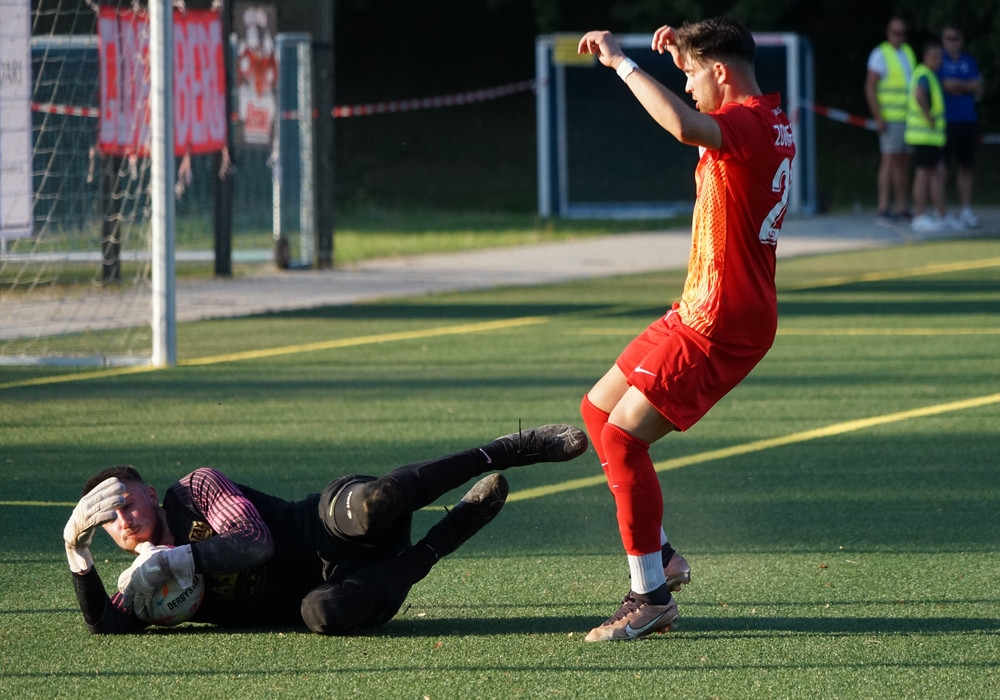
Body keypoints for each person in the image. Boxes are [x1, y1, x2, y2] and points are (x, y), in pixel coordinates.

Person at [576, 16, 795, 642]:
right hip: (700, 306)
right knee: (597, 412)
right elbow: (707, 102)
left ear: (721, 73)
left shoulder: (746, 125)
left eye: (696, 75)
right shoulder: (766, 116)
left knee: (621, 441)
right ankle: (664, 557)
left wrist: (623, 62)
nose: (689, 86)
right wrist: (682, 56)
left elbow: (683, 124)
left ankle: (649, 595)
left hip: (722, 319)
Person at [63, 424, 587, 635]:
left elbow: (254, 542)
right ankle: (449, 534)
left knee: (377, 503)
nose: (124, 519)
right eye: (108, 519)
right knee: (322, 615)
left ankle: (510, 449)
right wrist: (75, 553)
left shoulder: (193, 489)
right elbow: (103, 624)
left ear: (149, 494)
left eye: (126, 503)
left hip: (323, 526)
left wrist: (174, 560)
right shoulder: (142, 588)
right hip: (349, 588)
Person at [864, 16, 916, 225]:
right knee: (889, 160)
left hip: (908, 118)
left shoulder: (908, 52)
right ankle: (883, 207)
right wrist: (878, 117)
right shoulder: (880, 54)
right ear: (887, 33)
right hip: (890, 118)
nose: (899, 37)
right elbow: (870, 87)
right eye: (895, 32)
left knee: (903, 162)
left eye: (902, 33)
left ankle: (902, 206)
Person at [905, 40, 954, 233]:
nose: (938, 59)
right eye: (935, 56)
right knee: (923, 175)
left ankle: (939, 214)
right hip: (923, 135)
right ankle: (919, 215)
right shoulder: (924, 74)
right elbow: (919, 95)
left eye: (940, 56)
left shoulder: (930, 75)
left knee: (935, 174)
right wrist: (929, 117)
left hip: (931, 137)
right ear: (925, 57)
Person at [939, 24, 982, 228]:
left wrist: (959, 86)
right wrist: (965, 86)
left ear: (961, 40)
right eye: (948, 38)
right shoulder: (939, 61)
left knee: (966, 166)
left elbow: (977, 87)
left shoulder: (969, 61)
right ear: (943, 40)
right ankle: (942, 211)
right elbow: (945, 85)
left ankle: (966, 209)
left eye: (956, 37)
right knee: (942, 167)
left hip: (968, 120)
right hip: (946, 120)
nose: (952, 41)